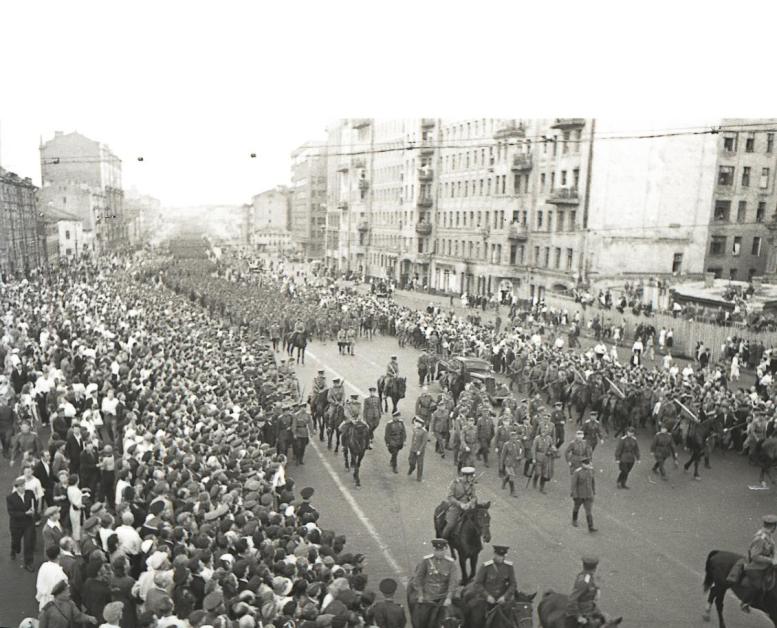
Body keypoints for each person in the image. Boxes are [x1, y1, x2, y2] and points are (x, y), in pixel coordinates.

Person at [727, 514, 777, 611]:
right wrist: (771, 560)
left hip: (767, 564)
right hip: (756, 567)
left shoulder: (768, 535)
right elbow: (755, 556)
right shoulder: (761, 538)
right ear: (773, 526)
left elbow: (773, 548)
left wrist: (775, 557)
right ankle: (745, 603)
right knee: (757, 585)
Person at [412, 539, 457, 628]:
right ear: (434, 550)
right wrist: (421, 595)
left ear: (445, 550)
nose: (439, 553)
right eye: (437, 550)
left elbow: (453, 582)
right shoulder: (426, 561)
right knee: (422, 620)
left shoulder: (451, 563)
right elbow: (418, 579)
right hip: (429, 597)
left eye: (442, 550)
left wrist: (449, 598)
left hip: (444, 597)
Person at [472, 545, 517, 617]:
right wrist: (487, 596)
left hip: (502, 600)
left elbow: (513, 584)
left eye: (502, 556)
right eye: (498, 555)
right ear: (494, 554)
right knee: (478, 619)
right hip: (486, 600)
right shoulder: (486, 566)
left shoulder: (509, 567)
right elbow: (478, 584)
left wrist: (505, 597)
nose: (500, 558)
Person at [7, 474, 36, 570]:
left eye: (24, 485)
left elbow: (34, 502)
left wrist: (33, 510)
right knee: (16, 541)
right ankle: (14, 549)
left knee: (28, 543)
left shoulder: (30, 493)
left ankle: (28, 563)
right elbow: (12, 513)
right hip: (16, 525)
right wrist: (25, 513)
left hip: (28, 523)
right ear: (16, 488)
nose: (24, 487)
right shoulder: (10, 498)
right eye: (21, 486)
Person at [442, 466, 477, 540]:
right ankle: (443, 541)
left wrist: (469, 504)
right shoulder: (455, 483)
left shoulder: (471, 485)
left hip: (468, 508)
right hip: (455, 508)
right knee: (450, 525)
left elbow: (474, 497)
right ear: (465, 476)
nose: (472, 478)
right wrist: (460, 504)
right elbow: (450, 497)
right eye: (471, 476)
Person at [566, 556, 601, 627]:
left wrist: (597, 589)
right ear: (595, 568)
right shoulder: (584, 582)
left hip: (590, 608)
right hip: (582, 611)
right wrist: (578, 617)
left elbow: (592, 586)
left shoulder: (588, 577)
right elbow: (572, 600)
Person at [570, 456, 597, 532]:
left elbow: (592, 482)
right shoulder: (577, 472)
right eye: (587, 464)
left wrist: (593, 491)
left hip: (588, 495)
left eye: (589, 464)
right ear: (583, 464)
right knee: (576, 507)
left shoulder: (591, 471)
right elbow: (573, 485)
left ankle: (590, 526)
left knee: (588, 510)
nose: (589, 466)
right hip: (579, 495)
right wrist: (575, 495)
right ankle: (574, 520)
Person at [531, 424, 557, 494]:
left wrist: (553, 450)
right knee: (538, 472)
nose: (544, 433)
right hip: (538, 457)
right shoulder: (537, 438)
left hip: (546, 458)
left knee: (544, 474)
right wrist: (533, 458)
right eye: (542, 431)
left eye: (545, 432)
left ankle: (542, 488)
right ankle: (535, 481)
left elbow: (552, 446)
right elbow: (533, 449)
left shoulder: (549, 438)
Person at [500, 430, 524, 497]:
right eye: (512, 436)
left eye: (515, 436)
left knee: (510, 475)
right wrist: (501, 466)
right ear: (510, 437)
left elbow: (522, 451)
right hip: (508, 463)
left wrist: (520, 457)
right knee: (512, 476)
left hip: (515, 463)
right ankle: (512, 492)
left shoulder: (519, 443)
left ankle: (504, 480)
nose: (514, 438)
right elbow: (503, 455)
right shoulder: (506, 444)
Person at [407, 416, 429, 482]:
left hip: (419, 450)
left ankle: (419, 477)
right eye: (416, 422)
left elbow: (424, 442)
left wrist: (420, 450)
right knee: (411, 460)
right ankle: (412, 468)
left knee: (420, 464)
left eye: (417, 423)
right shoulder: (415, 428)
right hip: (413, 448)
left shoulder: (424, 432)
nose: (416, 424)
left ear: (421, 424)